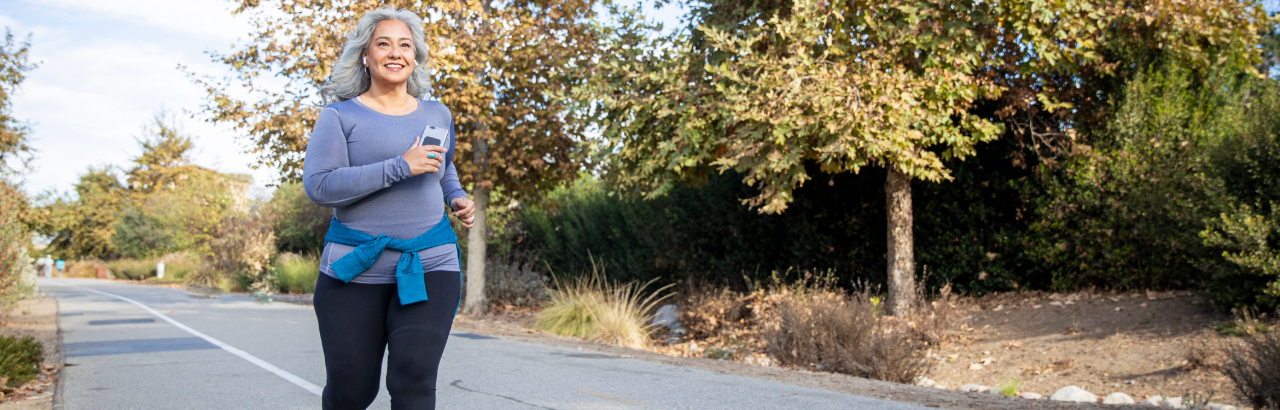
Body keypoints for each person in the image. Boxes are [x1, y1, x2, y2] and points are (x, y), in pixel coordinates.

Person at [302, 8, 475, 410]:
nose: (395, 52)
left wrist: (456, 196)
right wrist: (399, 166)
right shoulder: (340, 116)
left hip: (430, 261)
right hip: (353, 268)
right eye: (384, 43)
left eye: (405, 45)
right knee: (352, 391)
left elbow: (442, 167)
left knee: (414, 380)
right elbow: (321, 185)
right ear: (365, 55)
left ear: (415, 57)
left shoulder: (437, 114)